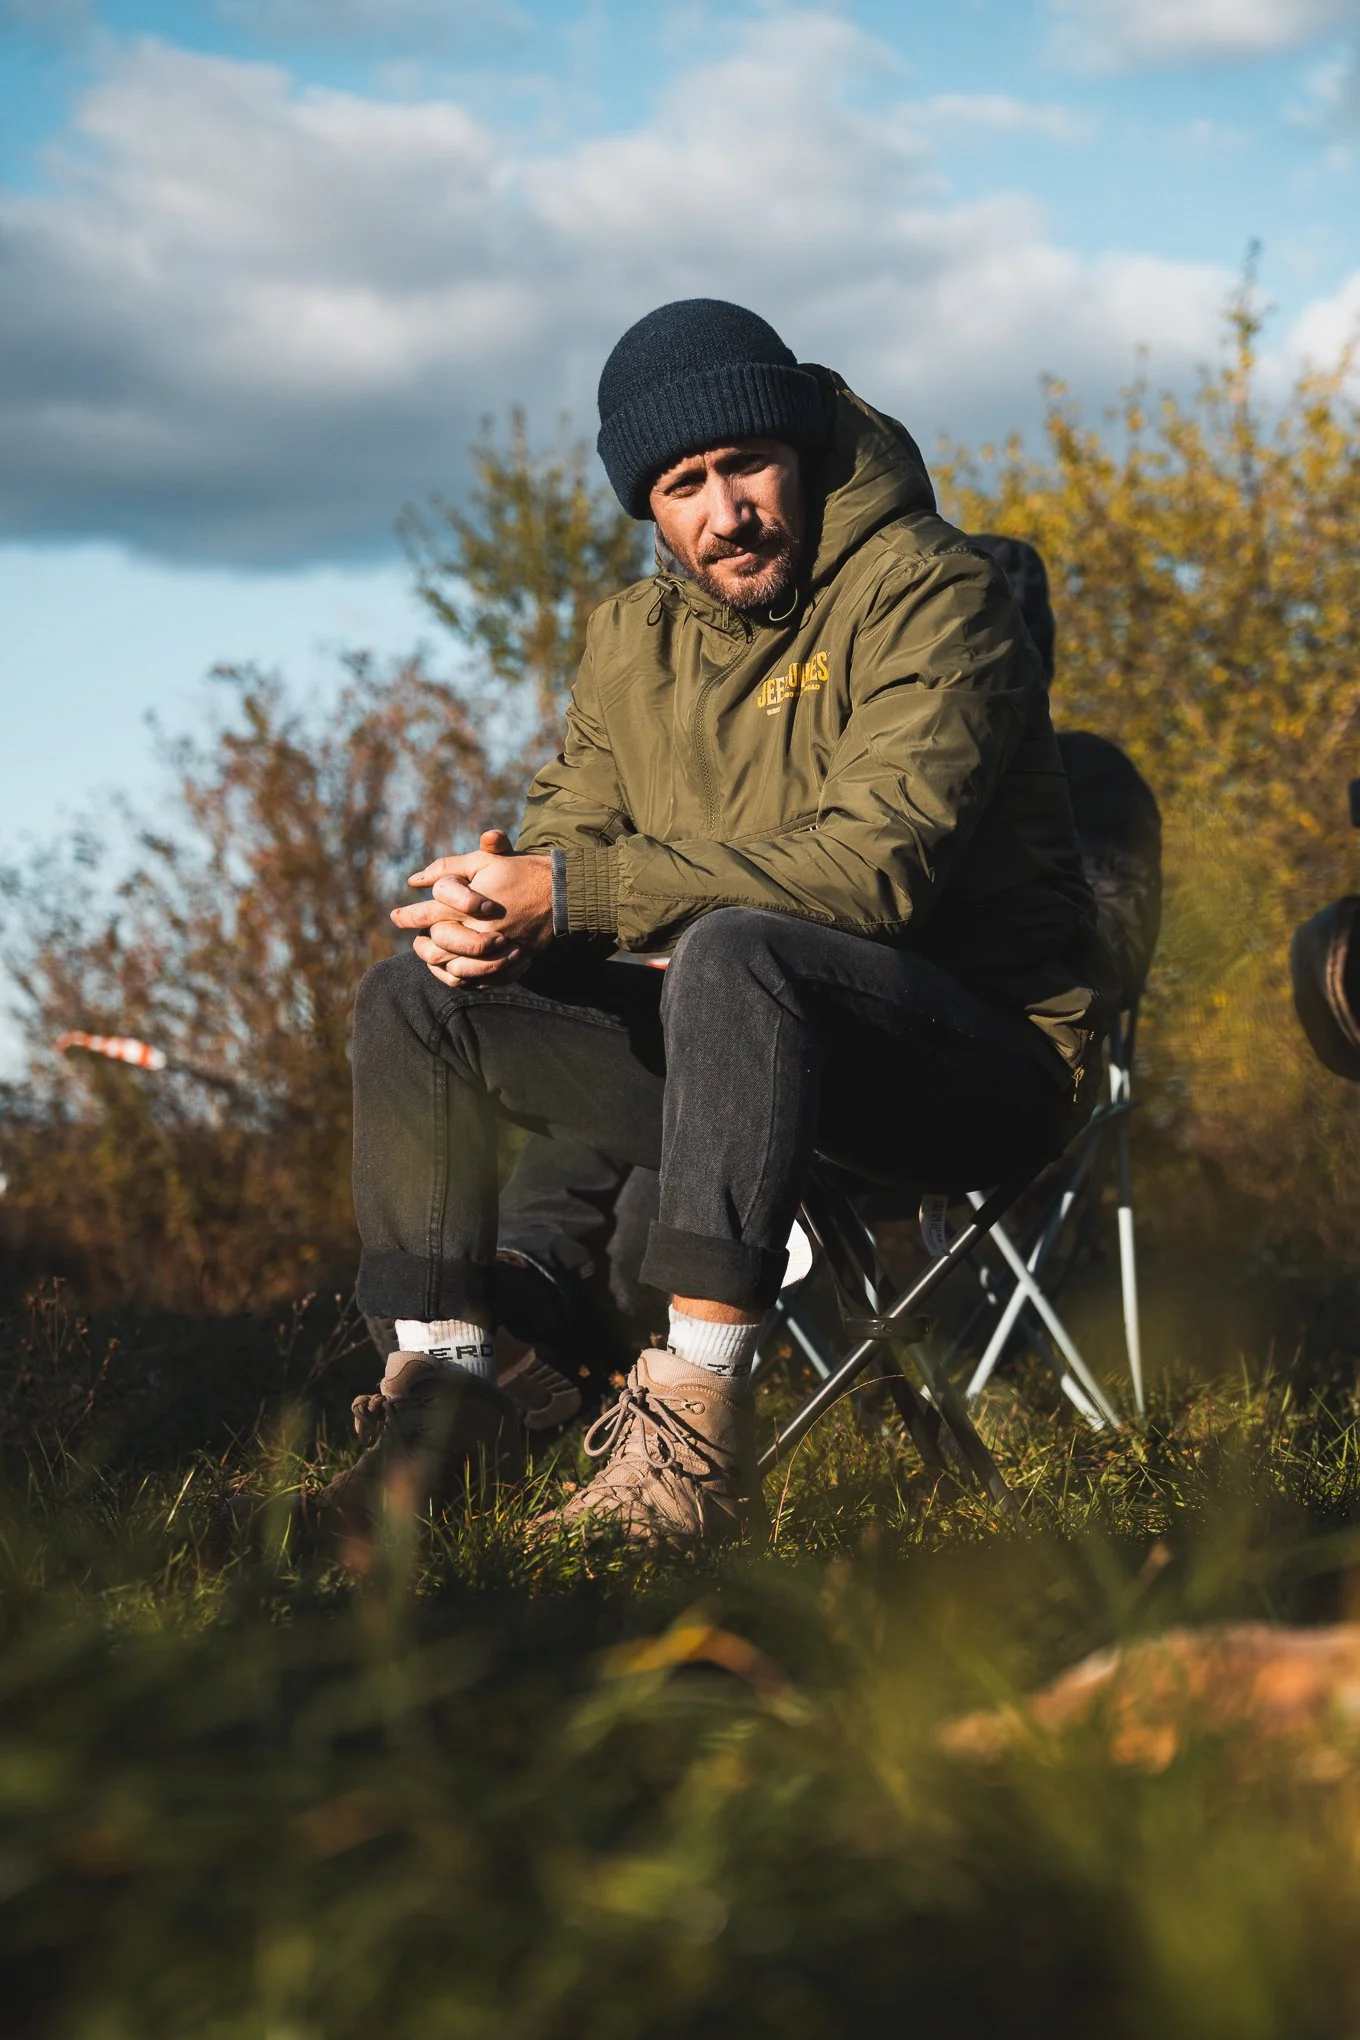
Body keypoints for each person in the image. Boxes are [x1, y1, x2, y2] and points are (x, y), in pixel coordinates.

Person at [320, 298, 1117, 1545]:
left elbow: (874, 872)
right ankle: (444, 1409)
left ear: (799, 450)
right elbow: (566, 841)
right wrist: (494, 902)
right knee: (413, 999)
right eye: (682, 484)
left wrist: (577, 894)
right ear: (648, 507)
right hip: (746, 1066)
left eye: (745, 463)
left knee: (742, 951)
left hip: (969, 1069)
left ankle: (687, 1443)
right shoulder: (627, 643)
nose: (724, 512)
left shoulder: (933, 594)